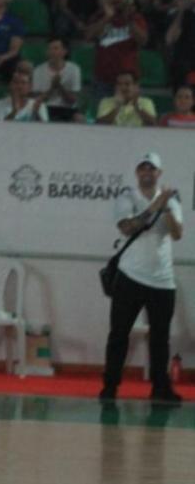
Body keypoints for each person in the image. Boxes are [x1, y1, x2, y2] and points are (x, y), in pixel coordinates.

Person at [101, 152, 183, 404]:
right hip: (130, 276)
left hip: (163, 281)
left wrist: (167, 208)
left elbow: (177, 233)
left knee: (160, 337)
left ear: (159, 173)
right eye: (143, 168)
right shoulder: (127, 197)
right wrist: (154, 207)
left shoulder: (171, 199)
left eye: (152, 169)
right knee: (119, 334)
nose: (147, 172)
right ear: (137, 173)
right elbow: (126, 227)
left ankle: (160, 387)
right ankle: (110, 386)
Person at [31, 38, 82, 122]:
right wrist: (52, 88)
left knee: (79, 118)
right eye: (49, 49)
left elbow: (72, 101)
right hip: (45, 107)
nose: (51, 52)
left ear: (64, 51)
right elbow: (37, 100)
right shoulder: (38, 70)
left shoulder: (74, 69)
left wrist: (60, 86)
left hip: (67, 108)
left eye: (55, 48)